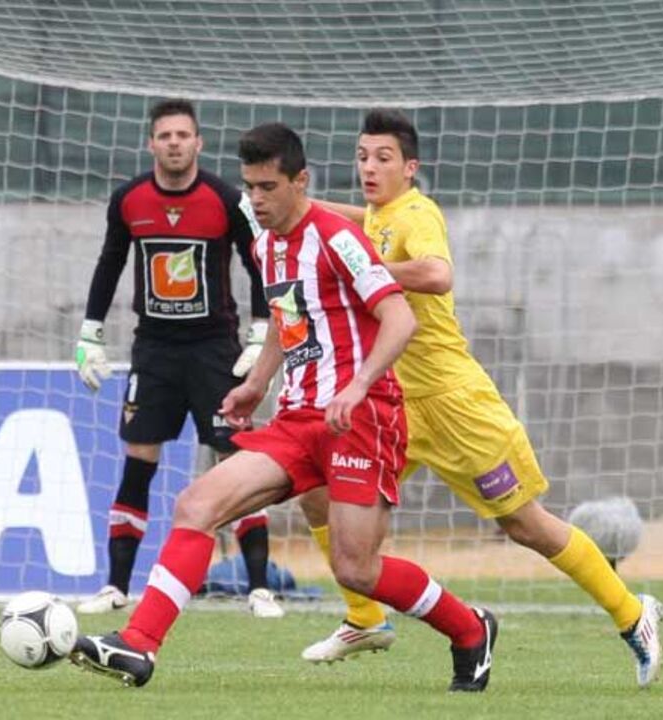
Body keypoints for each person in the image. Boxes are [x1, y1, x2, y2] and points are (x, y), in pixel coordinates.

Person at [69, 122, 499, 693]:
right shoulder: (266, 244)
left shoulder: (339, 237)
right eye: (250, 187)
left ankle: (470, 629)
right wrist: (257, 383)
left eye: (268, 187)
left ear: (301, 181)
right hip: (298, 421)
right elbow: (284, 316)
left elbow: (400, 317)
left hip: (361, 419)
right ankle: (138, 644)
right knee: (197, 504)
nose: (256, 200)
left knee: (356, 569)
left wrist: (358, 385)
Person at [299, 108, 663, 688]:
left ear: (410, 168)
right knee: (319, 490)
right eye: (362, 157)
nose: (369, 167)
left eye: (383, 158)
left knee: (526, 525)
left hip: (455, 406)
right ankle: (365, 617)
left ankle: (631, 612)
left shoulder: (418, 213)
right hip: (395, 407)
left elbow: (437, 274)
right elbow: (356, 220)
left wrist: (364, 268)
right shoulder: (378, 214)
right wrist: (298, 205)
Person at [74, 98, 284, 619]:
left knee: (235, 460)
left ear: (198, 143)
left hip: (215, 351)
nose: (174, 143)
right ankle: (116, 586)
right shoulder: (129, 199)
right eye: (165, 135)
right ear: (151, 143)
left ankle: (260, 588)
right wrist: (90, 333)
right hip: (154, 350)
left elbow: (258, 263)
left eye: (182, 135)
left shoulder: (226, 198)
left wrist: (261, 331)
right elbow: (110, 263)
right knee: (139, 459)